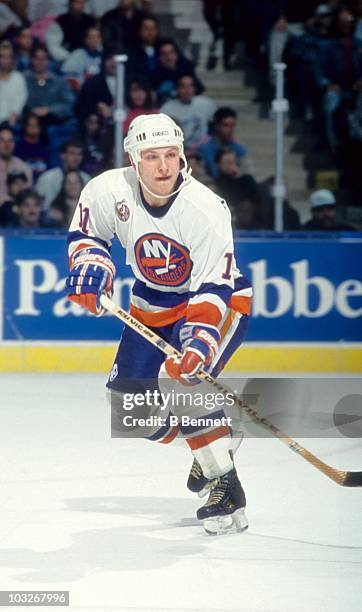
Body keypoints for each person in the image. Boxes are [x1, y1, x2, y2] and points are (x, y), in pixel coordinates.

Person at [65, 113, 252, 535]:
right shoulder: (107, 190)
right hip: (151, 304)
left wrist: (200, 341)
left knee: (180, 381)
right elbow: (87, 236)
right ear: (134, 161)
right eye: (152, 157)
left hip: (218, 302)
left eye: (171, 155)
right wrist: (91, 267)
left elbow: (213, 285)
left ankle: (226, 487)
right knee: (129, 411)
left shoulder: (205, 208)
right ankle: (214, 434)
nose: (164, 166)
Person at [160, 74, 216, 151]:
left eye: (190, 86)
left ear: (194, 88)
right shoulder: (167, 109)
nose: (187, 90)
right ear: (177, 89)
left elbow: (216, 126)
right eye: (183, 86)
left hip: (203, 149)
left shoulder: (206, 104)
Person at [199, 107, 251, 179]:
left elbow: (247, 173)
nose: (230, 129)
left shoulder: (239, 149)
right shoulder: (205, 149)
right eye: (226, 125)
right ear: (216, 126)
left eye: (233, 125)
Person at [35, 139, 90, 208]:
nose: (76, 158)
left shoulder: (86, 179)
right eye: (72, 153)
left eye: (79, 154)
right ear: (62, 155)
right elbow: (41, 206)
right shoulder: (47, 178)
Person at [0, 124, 32, 205]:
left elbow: (27, 196)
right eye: (2, 140)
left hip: (17, 211)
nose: (6, 144)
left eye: (10, 140)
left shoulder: (23, 167)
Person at [0, 40, 28, 126]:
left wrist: (10, 122)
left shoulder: (19, 78)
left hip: (12, 123)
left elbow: (19, 102)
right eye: (3, 57)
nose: (6, 60)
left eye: (9, 57)